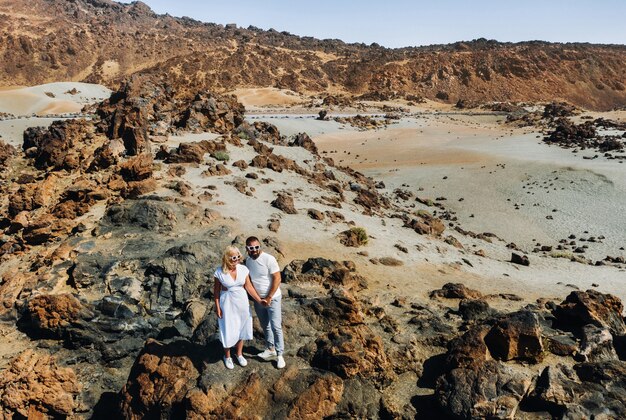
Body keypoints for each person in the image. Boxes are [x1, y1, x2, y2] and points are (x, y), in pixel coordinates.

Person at [214, 245, 263, 369]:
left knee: (241, 328)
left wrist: (259, 300)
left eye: (238, 257)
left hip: (242, 302)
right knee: (228, 329)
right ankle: (227, 356)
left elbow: (249, 287)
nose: (236, 259)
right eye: (233, 257)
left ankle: (239, 354)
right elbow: (216, 292)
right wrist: (218, 308)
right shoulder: (219, 272)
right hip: (227, 303)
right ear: (227, 258)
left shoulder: (243, 269)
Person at [245, 236, 286, 369]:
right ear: (247, 249)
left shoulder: (269, 259)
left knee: (276, 326)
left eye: (257, 247)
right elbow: (249, 281)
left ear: (260, 247)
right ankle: (270, 349)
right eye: (251, 248)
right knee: (265, 325)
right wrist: (258, 298)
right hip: (259, 299)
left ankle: (280, 355)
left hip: (272, 298)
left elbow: (277, 278)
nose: (255, 250)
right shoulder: (248, 261)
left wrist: (268, 297)